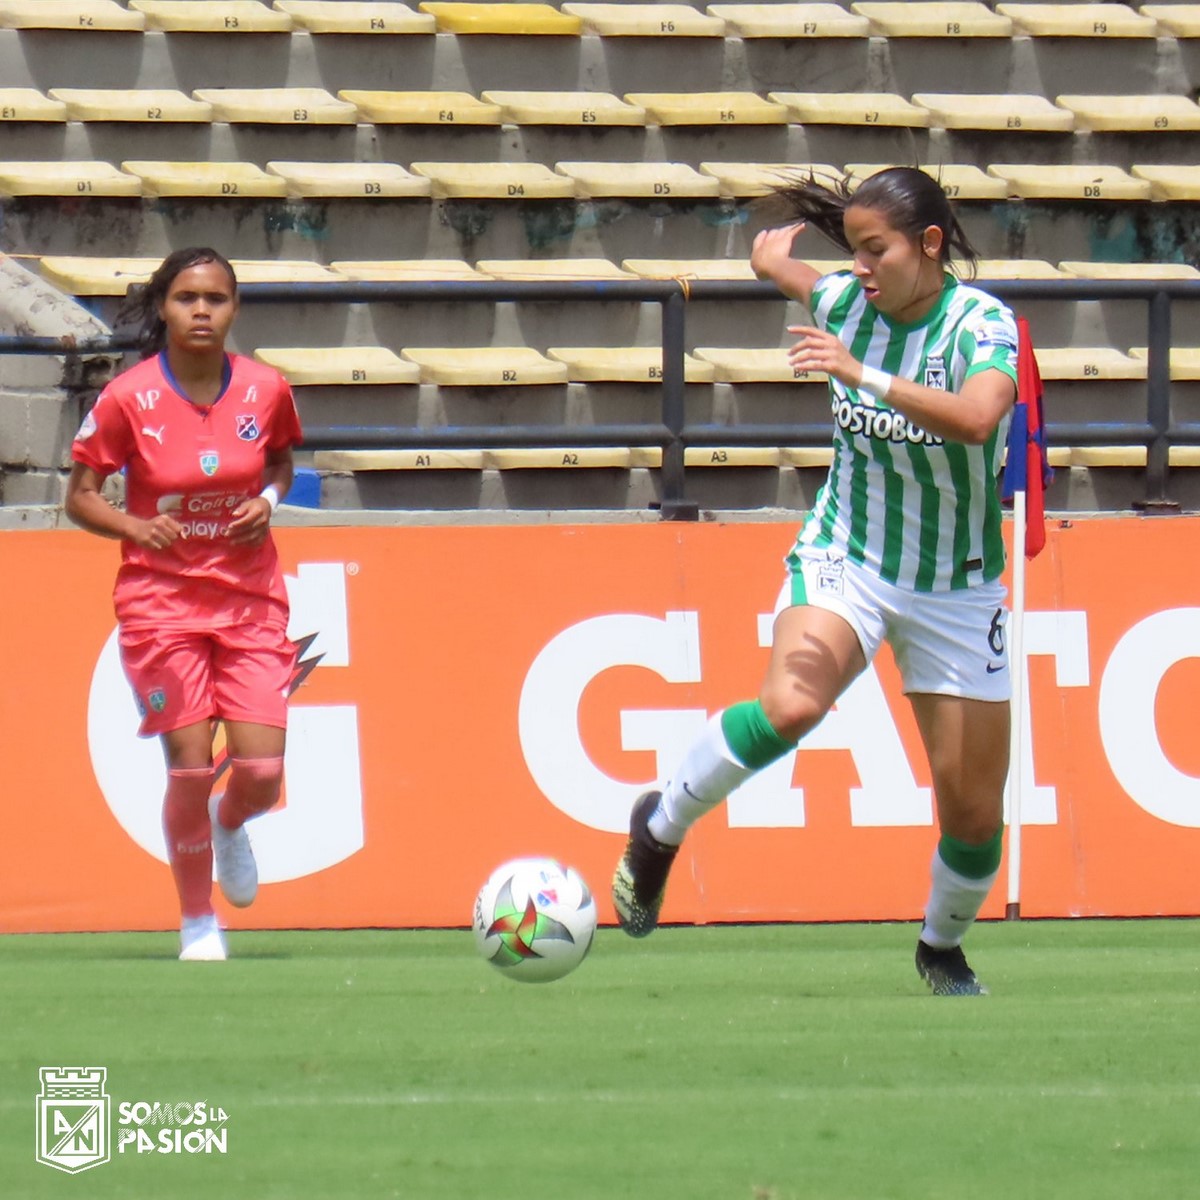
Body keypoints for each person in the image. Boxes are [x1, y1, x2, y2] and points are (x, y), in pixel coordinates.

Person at [612, 167, 1019, 995]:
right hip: (849, 554)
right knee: (793, 706)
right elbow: (798, 275)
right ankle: (659, 827)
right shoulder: (843, 301)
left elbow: (980, 419)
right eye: (852, 251)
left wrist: (861, 374)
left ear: (929, 244)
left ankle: (940, 948)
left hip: (958, 583)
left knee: (975, 818)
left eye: (875, 250)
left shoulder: (981, 324)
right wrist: (769, 260)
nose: (858, 269)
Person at [66, 247, 303, 962]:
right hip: (161, 604)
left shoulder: (266, 388)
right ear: (164, 308)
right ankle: (198, 920)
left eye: (216, 299)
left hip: (250, 598)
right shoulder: (127, 398)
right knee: (191, 764)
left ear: (234, 309)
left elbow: (282, 463)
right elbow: (79, 497)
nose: (202, 311)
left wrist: (268, 501)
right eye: (186, 298)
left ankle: (230, 823)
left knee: (260, 774)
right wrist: (135, 527)